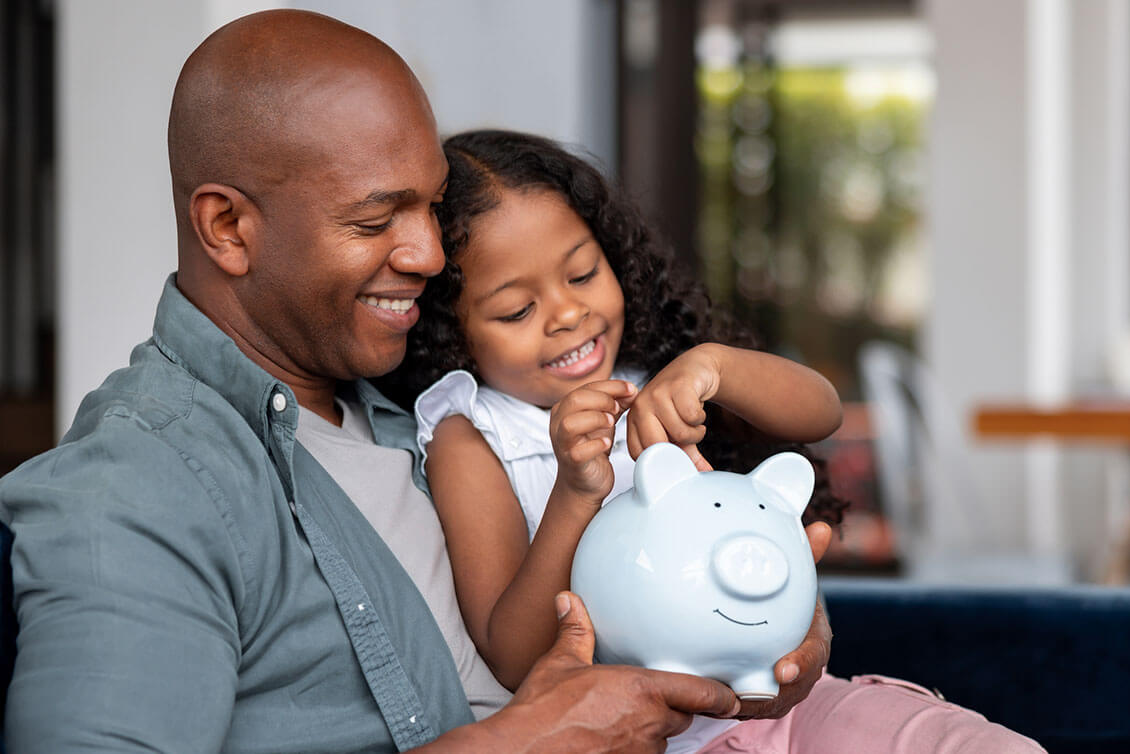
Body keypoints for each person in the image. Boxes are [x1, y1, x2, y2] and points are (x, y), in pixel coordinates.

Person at [0, 10, 747, 753]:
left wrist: (753, 623)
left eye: (428, 206)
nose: (427, 254)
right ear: (228, 228)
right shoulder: (137, 487)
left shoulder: (423, 393)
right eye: (372, 221)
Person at [380, 129, 1047, 754]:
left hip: (788, 709)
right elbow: (512, 651)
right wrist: (576, 490)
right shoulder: (473, 435)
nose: (567, 314)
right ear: (450, 330)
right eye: (516, 311)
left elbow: (818, 413)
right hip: (643, 737)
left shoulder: (654, 376)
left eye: (582, 274)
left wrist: (715, 366)